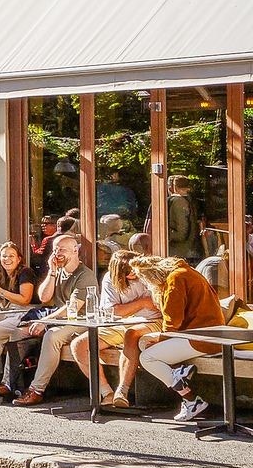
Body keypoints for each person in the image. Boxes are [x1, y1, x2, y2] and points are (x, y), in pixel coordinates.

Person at [0, 234, 93, 404]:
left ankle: (36, 389)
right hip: (56, 317)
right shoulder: (59, 271)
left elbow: (72, 308)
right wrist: (52, 271)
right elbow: (44, 298)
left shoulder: (84, 275)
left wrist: (45, 321)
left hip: (79, 320)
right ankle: (8, 384)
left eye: (62, 249)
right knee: (18, 332)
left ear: (75, 250)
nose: (57, 253)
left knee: (51, 336)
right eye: (55, 249)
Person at [134, 255, 225, 423]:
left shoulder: (174, 279)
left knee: (146, 357)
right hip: (210, 335)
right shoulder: (187, 272)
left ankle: (191, 399)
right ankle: (182, 381)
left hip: (201, 337)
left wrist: (160, 338)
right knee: (156, 352)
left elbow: (172, 321)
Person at [71, 250, 159, 408]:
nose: (133, 273)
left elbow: (156, 305)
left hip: (153, 320)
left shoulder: (148, 275)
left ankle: (122, 392)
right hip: (122, 322)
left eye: (134, 269)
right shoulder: (110, 279)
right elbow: (112, 310)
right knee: (79, 345)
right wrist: (141, 302)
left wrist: (130, 307)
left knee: (131, 335)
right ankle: (106, 392)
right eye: (128, 271)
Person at [165, 175, 201, 260]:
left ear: (172, 188)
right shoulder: (191, 201)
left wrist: (165, 233)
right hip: (188, 251)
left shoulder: (179, 202)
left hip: (180, 252)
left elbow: (181, 234)